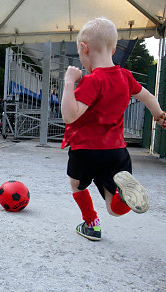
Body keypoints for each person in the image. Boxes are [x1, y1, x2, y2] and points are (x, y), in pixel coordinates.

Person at [61, 17, 166, 241]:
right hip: (117, 152)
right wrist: (159, 115)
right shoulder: (125, 77)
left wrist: (69, 82)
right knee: (114, 207)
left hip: (87, 149)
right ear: (114, 47)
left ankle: (91, 224)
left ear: (83, 48)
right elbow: (147, 97)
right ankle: (123, 197)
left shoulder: (92, 81)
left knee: (76, 184)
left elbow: (70, 116)